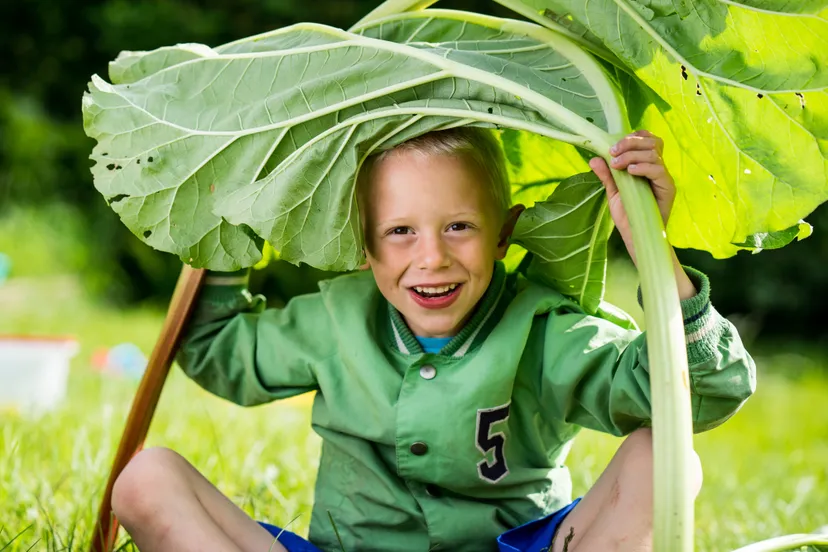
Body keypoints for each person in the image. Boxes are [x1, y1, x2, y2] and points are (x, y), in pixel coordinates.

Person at [110, 127, 755, 552]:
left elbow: (700, 394)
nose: (432, 258)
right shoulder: (336, 320)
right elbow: (220, 353)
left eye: (459, 227)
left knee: (664, 458)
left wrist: (652, 250)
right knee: (146, 481)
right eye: (399, 232)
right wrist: (228, 222)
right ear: (362, 247)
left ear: (504, 234)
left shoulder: (542, 327)